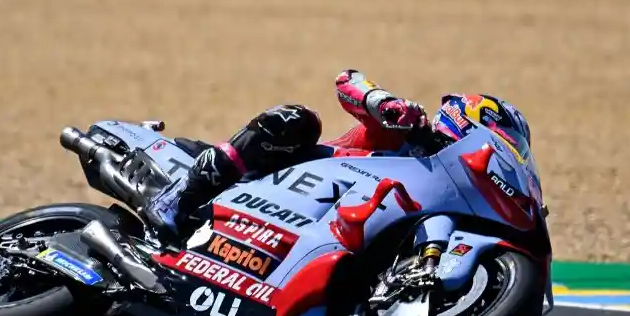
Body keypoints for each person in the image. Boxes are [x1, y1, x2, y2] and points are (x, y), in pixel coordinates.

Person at [144, 69, 531, 244]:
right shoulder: (406, 127)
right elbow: (348, 79)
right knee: (297, 120)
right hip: (280, 181)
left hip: (316, 233)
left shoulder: (448, 193)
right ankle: (179, 199)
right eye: (505, 140)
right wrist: (383, 103)